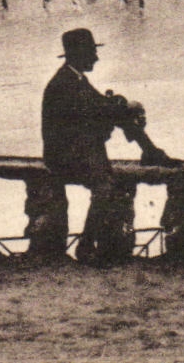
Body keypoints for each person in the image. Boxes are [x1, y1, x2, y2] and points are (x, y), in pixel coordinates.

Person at [41, 28, 143, 265]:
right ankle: (86, 246)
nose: (96, 58)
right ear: (78, 54)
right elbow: (95, 113)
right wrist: (122, 108)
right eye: (92, 53)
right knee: (105, 187)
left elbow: (101, 105)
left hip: (78, 151)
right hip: (65, 156)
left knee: (108, 183)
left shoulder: (75, 78)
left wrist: (121, 105)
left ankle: (97, 245)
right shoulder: (65, 84)